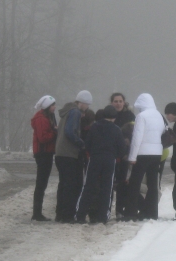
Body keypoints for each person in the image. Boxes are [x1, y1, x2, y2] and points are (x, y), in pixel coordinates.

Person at [75, 105, 126, 224]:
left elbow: (87, 144)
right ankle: (103, 216)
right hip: (109, 160)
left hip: (95, 158)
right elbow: (122, 149)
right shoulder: (116, 129)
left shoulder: (94, 127)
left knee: (88, 186)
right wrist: (115, 155)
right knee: (107, 188)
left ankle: (80, 215)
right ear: (114, 117)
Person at [122, 93, 165, 221]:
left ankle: (130, 212)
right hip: (157, 153)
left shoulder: (141, 116)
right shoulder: (159, 115)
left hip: (142, 154)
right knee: (153, 185)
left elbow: (137, 138)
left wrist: (132, 156)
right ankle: (152, 213)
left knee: (134, 184)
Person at [55, 90, 93, 223]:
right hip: (69, 154)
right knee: (73, 185)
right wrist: (82, 144)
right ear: (82, 103)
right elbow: (70, 132)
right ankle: (68, 215)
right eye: (87, 105)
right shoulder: (75, 112)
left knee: (64, 184)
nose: (87, 108)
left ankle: (60, 214)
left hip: (60, 153)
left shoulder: (66, 112)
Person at [31, 95, 58, 221]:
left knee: (42, 183)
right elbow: (43, 138)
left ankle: (37, 212)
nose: (54, 107)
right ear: (47, 106)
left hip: (46, 152)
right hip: (43, 153)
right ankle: (37, 213)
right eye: (53, 105)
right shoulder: (42, 119)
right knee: (41, 183)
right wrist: (55, 132)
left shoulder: (48, 117)